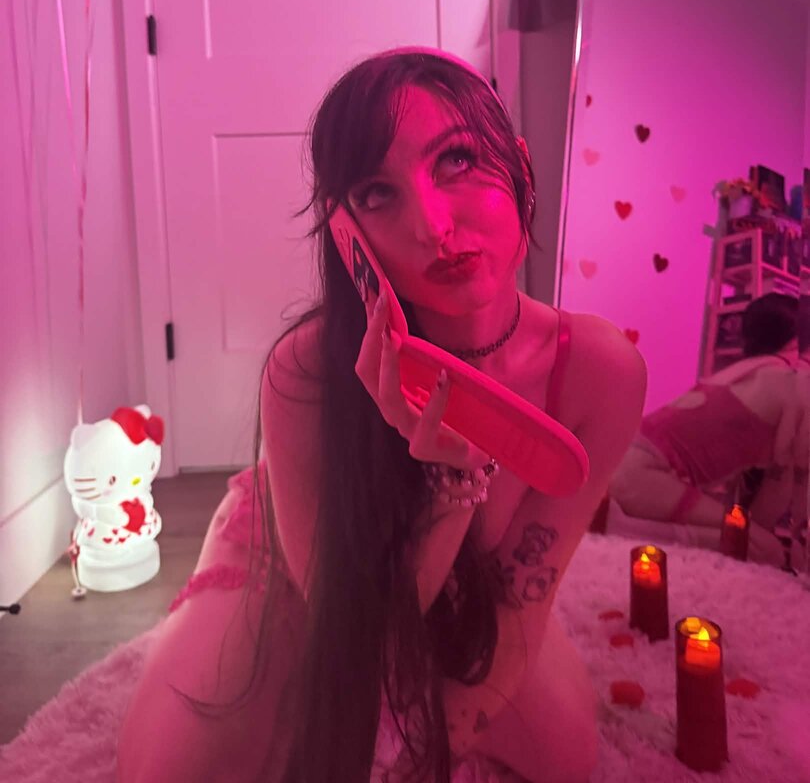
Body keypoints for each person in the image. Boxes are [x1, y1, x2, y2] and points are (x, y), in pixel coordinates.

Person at [117, 48, 646, 783]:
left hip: (476, 581)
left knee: (565, 759)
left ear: (521, 169)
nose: (432, 225)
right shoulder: (307, 371)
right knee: (176, 769)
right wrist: (450, 482)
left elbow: (520, 607)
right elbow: (358, 633)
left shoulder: (598, 371)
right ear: (349, 237)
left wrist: (427, 754)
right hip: (301, 569)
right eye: (376, 193)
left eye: (457, 160)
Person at [609, 292, 809, 566]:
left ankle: (627, 524)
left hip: (622, 461)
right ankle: (625, 530)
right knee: (766, 549)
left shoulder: (739, 373)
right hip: (642, 475)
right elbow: (775, 499)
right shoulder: (788, 384)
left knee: (746, 536)